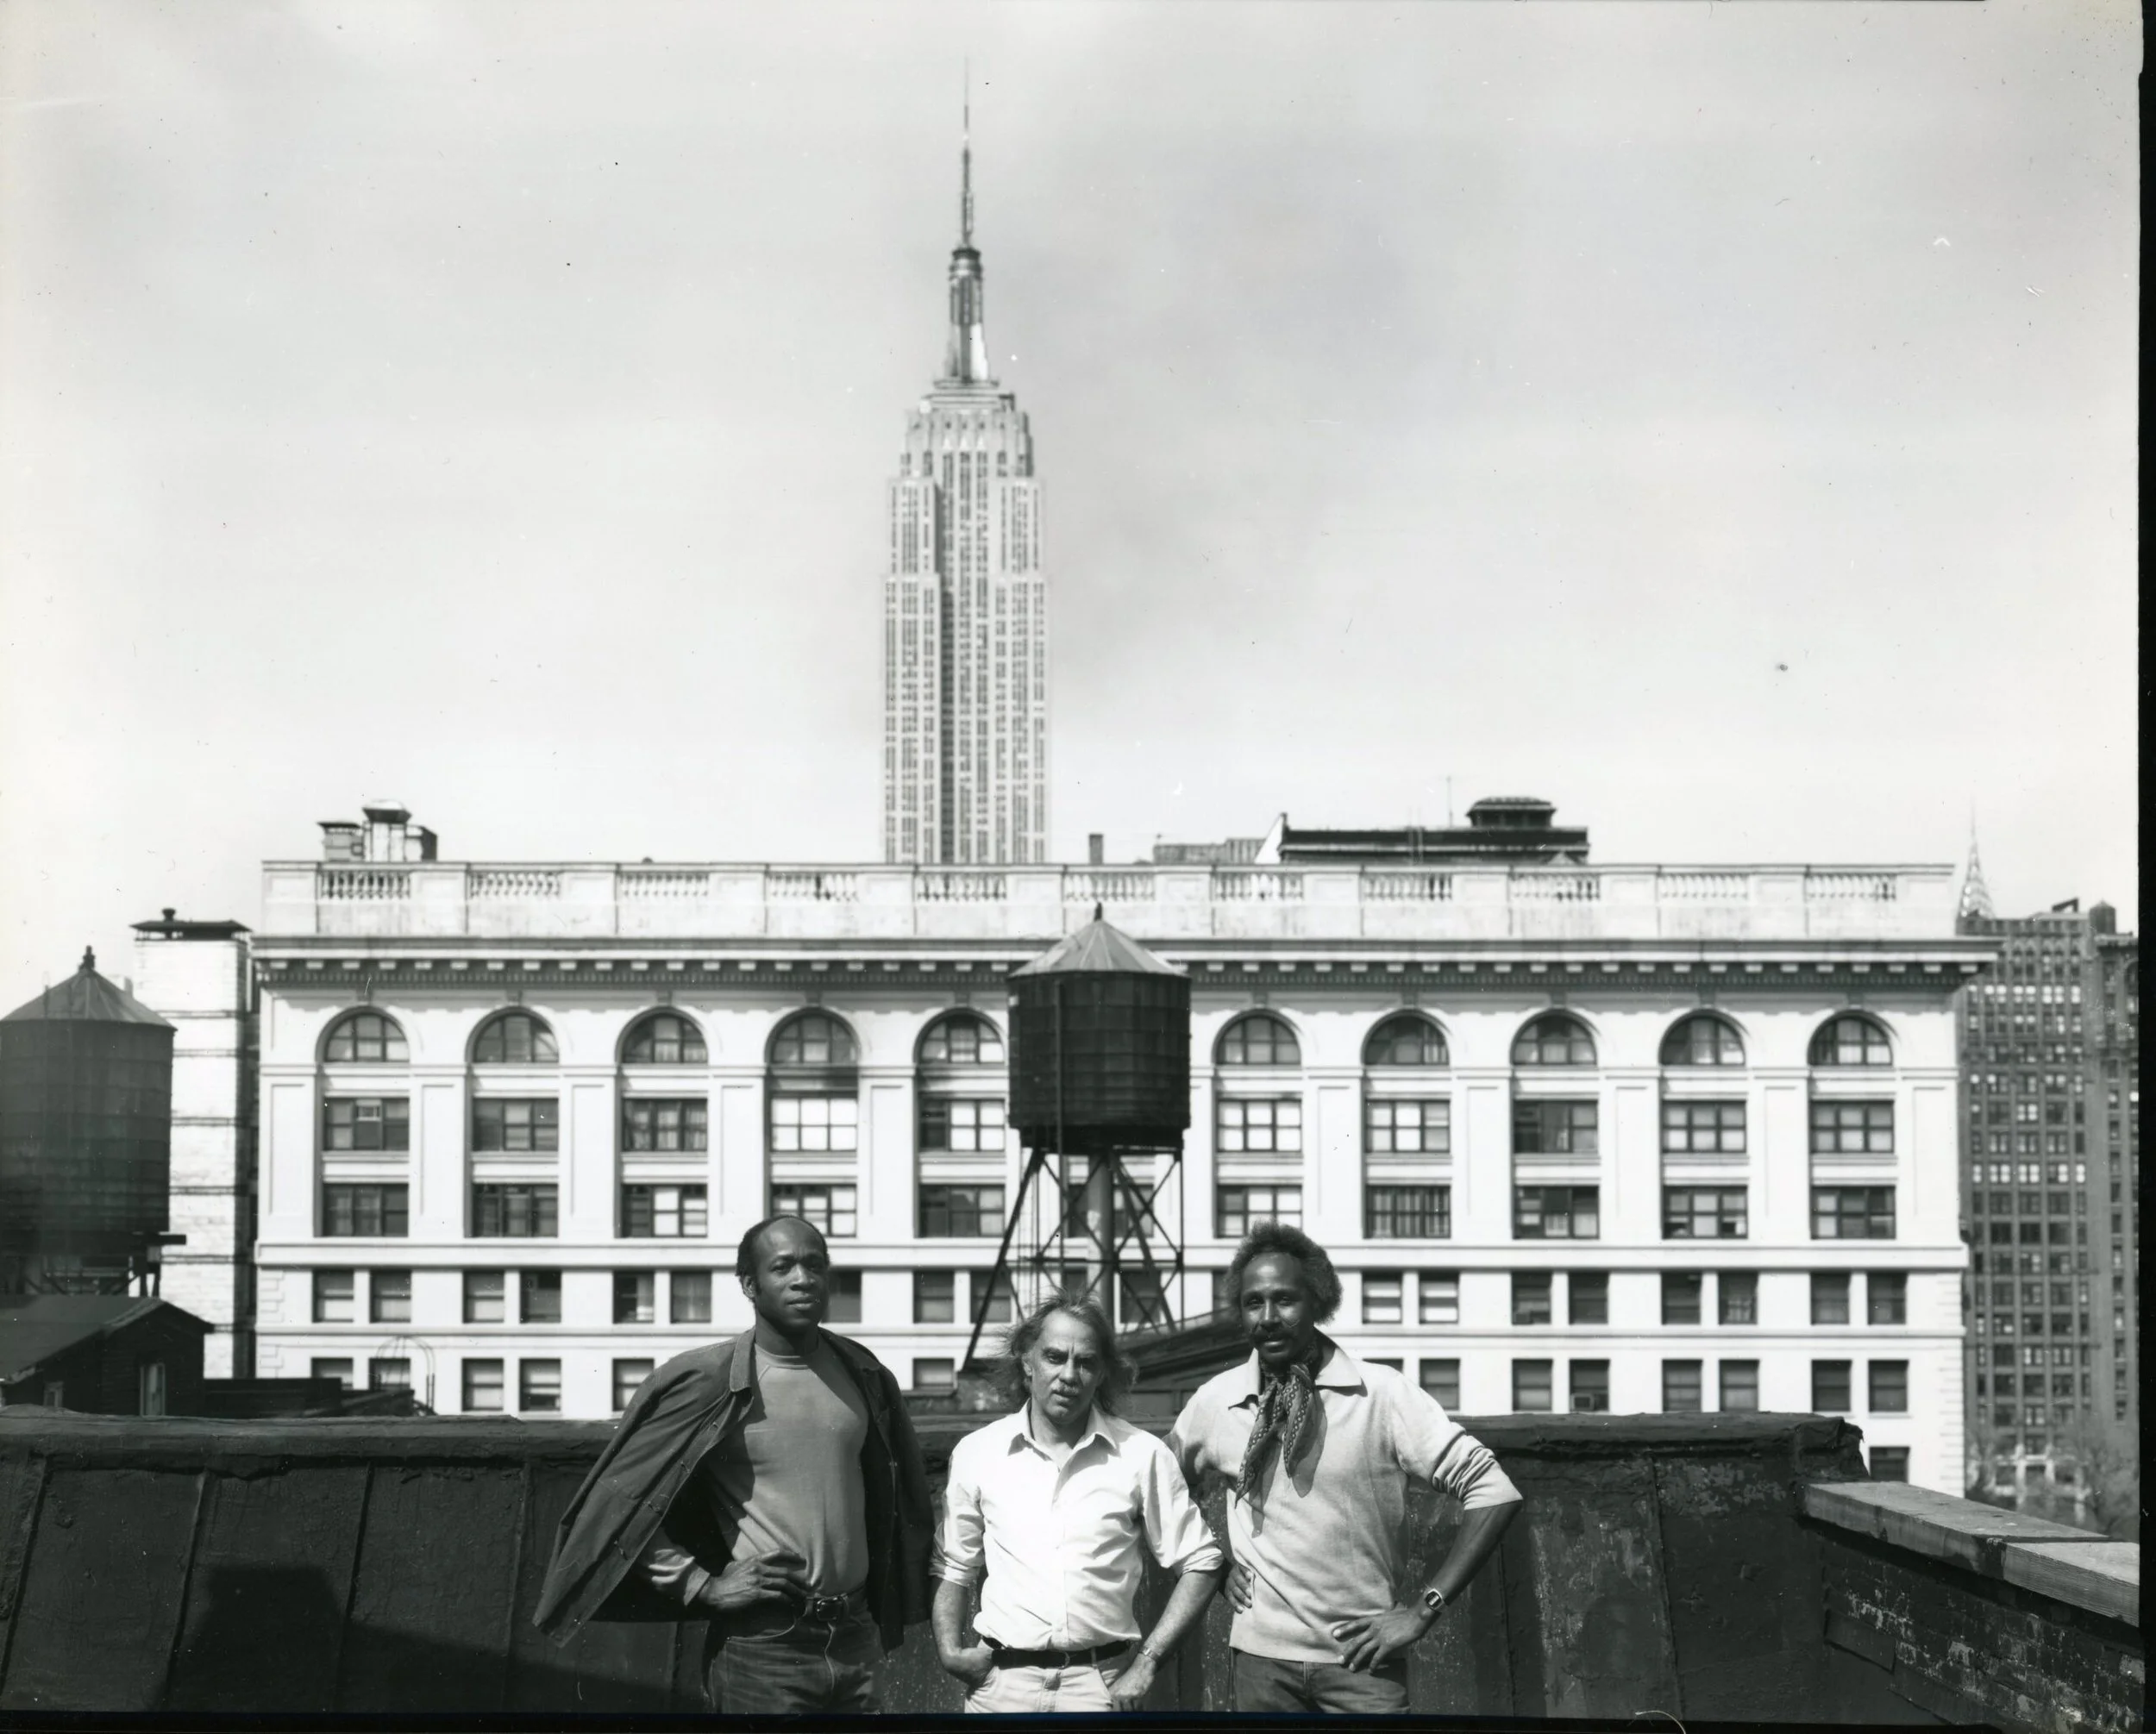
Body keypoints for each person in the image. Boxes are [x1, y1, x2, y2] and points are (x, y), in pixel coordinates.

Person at [532, 1213, 935, 1714]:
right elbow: (616, 1506)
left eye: (815, 1265)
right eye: (782, 1267)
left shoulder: (865, 1371)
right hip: (763, 1644)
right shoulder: (705, 1380)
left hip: (855, 1636)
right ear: (749, 1284)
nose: (803, 1279)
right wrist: (700, 1584)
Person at [1168, 1223, 1522, 1714]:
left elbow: (1492, 1489)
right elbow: (1157, 1490)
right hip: (1260, 1665)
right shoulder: (1217, 1400)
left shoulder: (1381, 1394)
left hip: (1363, 1666)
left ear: (1318, 1302)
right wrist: (1213, 1561)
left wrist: (1424, 1610)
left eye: (1285, 1300)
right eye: (1254, 1303)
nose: (1268, 1318)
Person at [933, 1295, 1224, 1713]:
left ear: (1102, 1372)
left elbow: (1201, 1562)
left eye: (1085, 1362)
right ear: (1026, 1361)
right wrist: (948, 1649)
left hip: (1100, 1687)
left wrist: (1148, 1661)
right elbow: (954, 1565)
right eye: (1054, 1357)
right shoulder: (978, 1452)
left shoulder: (1141, 1455)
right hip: (1001, 1689)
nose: (1069, 1375)